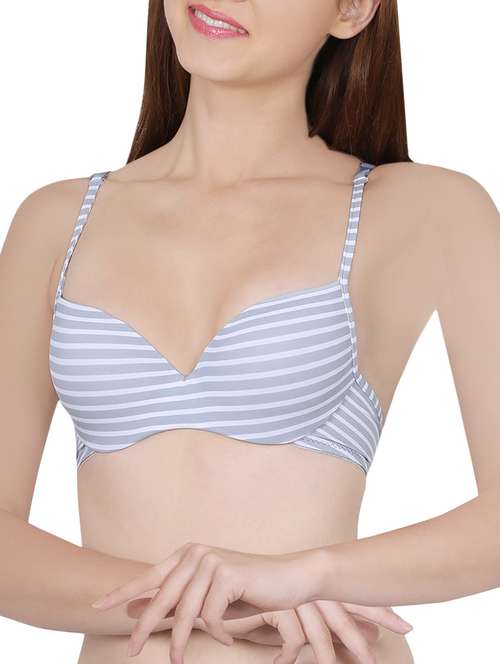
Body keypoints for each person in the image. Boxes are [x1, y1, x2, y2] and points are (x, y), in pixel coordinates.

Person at [1, 1, 498, 663]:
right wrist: (227, 598)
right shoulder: (56, 221)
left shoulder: (425, 208)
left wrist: (313, 573)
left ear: (352, 9)